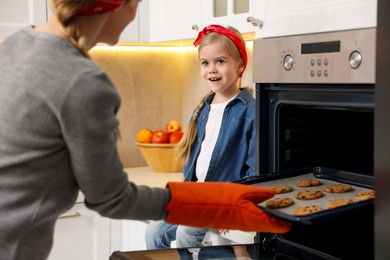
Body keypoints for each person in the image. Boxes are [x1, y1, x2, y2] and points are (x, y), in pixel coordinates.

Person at [0, 1, 291, 259]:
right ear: (117, 4)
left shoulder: (16, 44)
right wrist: (213, 204)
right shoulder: (82, 81)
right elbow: (111, 197)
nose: (136, 12)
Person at [145, 24, 258, 250]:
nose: (212, 70)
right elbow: (193, 165)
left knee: (188, 232)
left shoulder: (250, 111)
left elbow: (254, 169)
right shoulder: (204, 109)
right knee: (154, 231)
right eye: (205, 63)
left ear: (240, 66)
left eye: (220, 61)